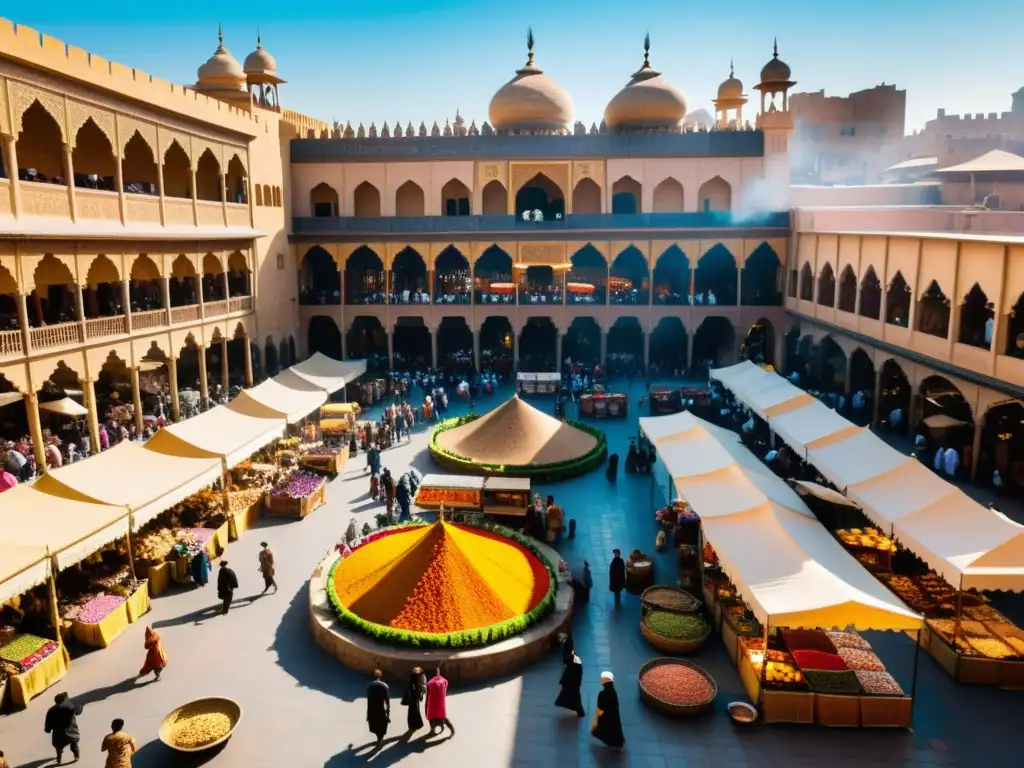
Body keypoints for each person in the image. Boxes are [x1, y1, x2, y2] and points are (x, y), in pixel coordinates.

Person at [44, 692, 81, 765]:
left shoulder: (51, 710)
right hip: (71, 732)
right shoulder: (69, 706)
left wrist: (48, 729)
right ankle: (76, 756)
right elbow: (78, 711)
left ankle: (59, 759)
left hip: (58, 735)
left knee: (59, 747)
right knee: (74, 743)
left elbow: (48, 723)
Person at [591, 671, 625, 750]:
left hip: (606, 717)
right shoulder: (614, 692)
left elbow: (600, 709)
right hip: (614, 717)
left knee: (604, 729)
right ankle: (618, 742)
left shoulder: (602, 694)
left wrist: (596, 720)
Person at [555, 643, 585, 717]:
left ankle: (580, 711)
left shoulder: (573, 662)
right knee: (574, 697)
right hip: (574, 683)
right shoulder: (575, 662)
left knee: (574, 697)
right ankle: (580, 711)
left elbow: (569, 673)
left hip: (572, 683)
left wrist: (563, 681)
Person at [425, 667, 455, 736]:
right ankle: (451, 730)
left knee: (432, 718)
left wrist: (426, 707)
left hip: (432, 706)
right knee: (443, 717)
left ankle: (432, 729)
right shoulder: (443, 681)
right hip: (440, 705)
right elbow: (446, 686)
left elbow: (428, 695)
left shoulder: (430, 683)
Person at [366, 669, 391, 749]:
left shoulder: (369, 686)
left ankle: (378, 738)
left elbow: (368, 698)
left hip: (372, 710)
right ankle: (380, 739)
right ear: (381, 676)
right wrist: (388, 711)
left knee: (375, 725)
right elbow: (387, 701)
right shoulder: (385, 686)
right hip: (381, 709)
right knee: (382, 725)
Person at [402, 666, 427, 734]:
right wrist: (421, 694)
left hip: (412, 696)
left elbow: (410, 687)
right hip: (415, 696)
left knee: (412, 711)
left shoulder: (413, 677)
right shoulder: (420, 677)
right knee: (415, 710)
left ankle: (412, 725)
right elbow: (422, 686)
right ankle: (417, 724)